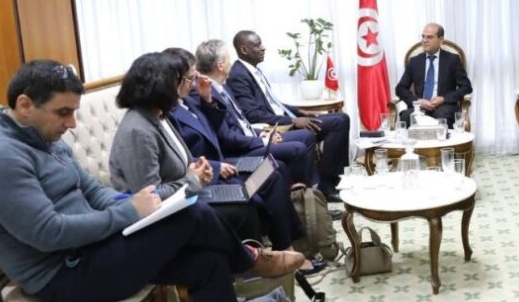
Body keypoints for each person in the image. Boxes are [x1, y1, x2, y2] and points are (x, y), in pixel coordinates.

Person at [0, 60, 303, 302]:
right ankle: (249, 260)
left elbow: (95, 193)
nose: (71, 124)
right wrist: (130, 212)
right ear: (25, 105)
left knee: (207, 259)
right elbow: (49, 233)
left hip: (91, 251)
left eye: (73, 112)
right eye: (63, 113)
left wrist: (140, 205)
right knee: (195, 214)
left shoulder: (46, 140)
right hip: (63, 277)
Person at [109, 52, 294, 251]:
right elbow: (149, 197)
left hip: (188, 189)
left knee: (258, 186)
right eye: (179, 80)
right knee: (242, 208)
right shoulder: (138, 131)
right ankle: (258, 263)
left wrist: (197, 169)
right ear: (160, 86)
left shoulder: (157, 115)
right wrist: (193, 178)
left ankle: (277, 252)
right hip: (167, 211)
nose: (187, 85)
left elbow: (186, 157)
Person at [227, 30, 350, 202]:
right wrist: (293, 120)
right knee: (337, 123)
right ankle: (324, 189)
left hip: (283, 120)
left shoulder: (254, 71)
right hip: (274, 127)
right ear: (244, 49)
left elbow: (273, 103)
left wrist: (300, 111)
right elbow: (253, 115)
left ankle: (330, 183)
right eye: (257, 45)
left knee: (342, 119)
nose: (263, 48)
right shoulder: (238, 75)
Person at [193, 40, 317, 188]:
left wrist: (262, 134)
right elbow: (228, 138)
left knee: (306, 136)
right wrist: (263, 141)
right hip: (239, 151)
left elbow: (241, 123)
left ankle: (309, 190)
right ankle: (301, 194)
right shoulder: (208, 96)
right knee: (297, 149)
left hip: (251, 137)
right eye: (229, 60)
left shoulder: (223, 87)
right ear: (220, 66)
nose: (231, 64)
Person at [394, 23, 473, 128]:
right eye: (423, 36)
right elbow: (400, 88)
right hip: (420, 107)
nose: (424, 40)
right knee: (407, 116)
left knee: (442, 116)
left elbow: (466, 87)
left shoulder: (452, 60)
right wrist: (417, 101)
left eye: (429, 37)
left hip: (444, 106)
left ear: (440, 40)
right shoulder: (414, 61)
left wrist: (444, 98)